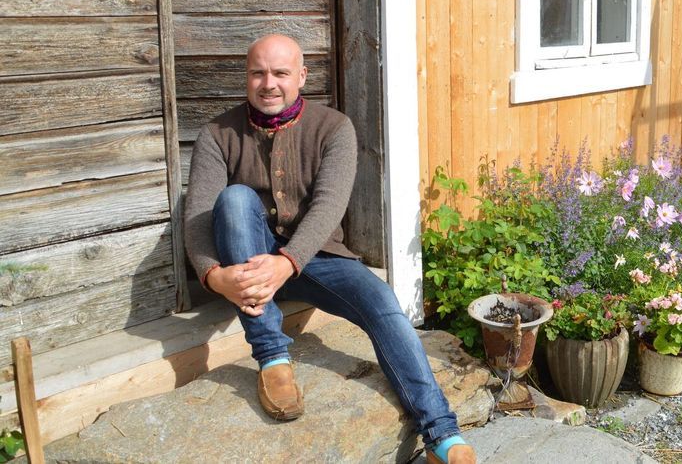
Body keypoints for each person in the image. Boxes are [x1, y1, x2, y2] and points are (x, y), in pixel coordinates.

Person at [183, 34, 476, 464]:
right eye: (258, 73)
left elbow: (328, 207)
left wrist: (287, 262)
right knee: (235, 199)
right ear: (246, 77)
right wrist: (214, 275)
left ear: (301, 76)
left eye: (280, 73)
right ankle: (272, 358)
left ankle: (442, 435)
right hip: (248, 261)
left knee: (382, 303)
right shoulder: (217, 134)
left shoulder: (334, 127)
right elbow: (198, 218)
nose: (269, 83)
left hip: (319, 258)